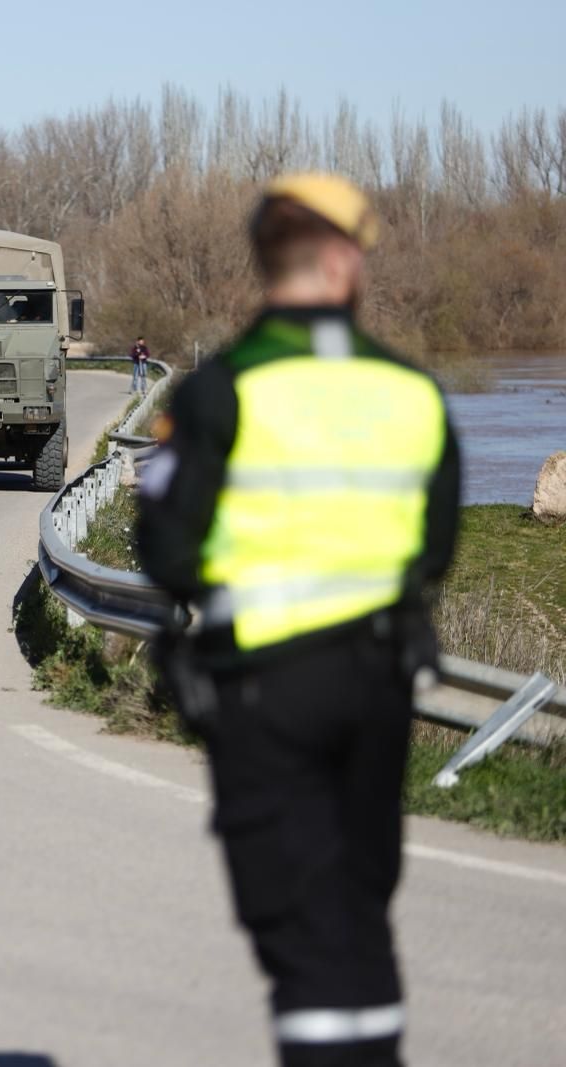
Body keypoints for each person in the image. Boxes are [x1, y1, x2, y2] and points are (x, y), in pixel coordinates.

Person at [136, 173, 460, 1067]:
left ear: (264, 260)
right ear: (346, 261)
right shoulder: (413, 393)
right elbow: (435, 547)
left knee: (297, 927)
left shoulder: (219, 394)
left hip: (262, 690)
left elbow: (164, 547)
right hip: (380, 683)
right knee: (358, 907)